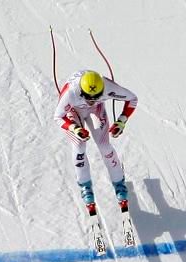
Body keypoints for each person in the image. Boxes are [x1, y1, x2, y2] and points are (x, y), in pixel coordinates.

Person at [54, 70, 138, 211]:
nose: (91, 100)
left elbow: (132, 99)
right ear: (81, 91)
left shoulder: (107, 87)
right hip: (74, 111)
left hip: (96, 110)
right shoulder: (71, 92)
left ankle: (119, 184)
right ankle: (85, 186)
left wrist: (121, 121)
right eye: (88, 98)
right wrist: (75, 128)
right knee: (79, 146)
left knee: (105, 146)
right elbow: (58, 117)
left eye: (96, 97)